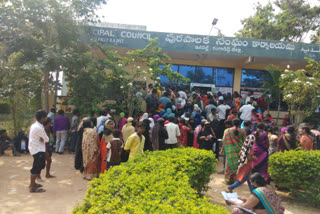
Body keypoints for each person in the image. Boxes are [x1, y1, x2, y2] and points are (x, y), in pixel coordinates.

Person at [28, 110, 49, 193]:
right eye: (46, 117)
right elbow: (46, 139)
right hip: (38, 149)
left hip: (35, 148)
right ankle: (32, 187)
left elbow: (44, 139)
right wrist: (43, 139)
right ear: (42, 118)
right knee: (36, 167)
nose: (46, 118)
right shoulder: (39, 128)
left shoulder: (35, 125)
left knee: (39, 166)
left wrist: (42, 139)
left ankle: (33, 183)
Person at [222, 118, 246, 184]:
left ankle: (228, 180)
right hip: (239, 150)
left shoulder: (227, 131)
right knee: (238, 165)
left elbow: (224, 141)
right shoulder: (242, 131)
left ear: (232, 123)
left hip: (230, 150)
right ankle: (236, 180)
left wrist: (222, 149)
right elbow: (245, 141)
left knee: (229, 164)